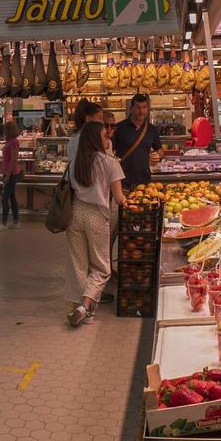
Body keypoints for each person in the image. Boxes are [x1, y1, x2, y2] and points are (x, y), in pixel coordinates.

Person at [65, 121, 124, 327]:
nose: (108, 136)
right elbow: (118, 198)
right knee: (101, 267)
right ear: (96, 139)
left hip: (75, 214)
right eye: (104, 134)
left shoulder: (75, 163)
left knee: (79, 264)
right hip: (97, 216)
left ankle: (85, 311)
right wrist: (128, 200)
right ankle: (85, 305)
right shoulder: (110, 163)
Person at [111, 94, 161, 191]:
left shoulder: (151, 129)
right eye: (138, 107)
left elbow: (160, 150)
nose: (141, 111)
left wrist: (157, 156)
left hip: (144, 181)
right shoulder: (119, 128)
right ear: (131, 108)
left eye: (144, 107)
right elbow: (109, 152)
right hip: (122, 181)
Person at [0, 120, 23, 231]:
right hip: (8, 173)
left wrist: (7, 175)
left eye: (5, 129)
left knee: (5, 199)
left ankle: (3, 223)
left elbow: (13, 159)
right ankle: (16, 221)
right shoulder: (9, 141)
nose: (4, 130)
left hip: (11, 174)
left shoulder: (13, 142)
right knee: (12, 198)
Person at [65, 99, 103, 165]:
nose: (102, 122)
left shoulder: (77, 137)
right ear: (88, 119)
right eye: (100, 118)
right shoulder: (85, 139)